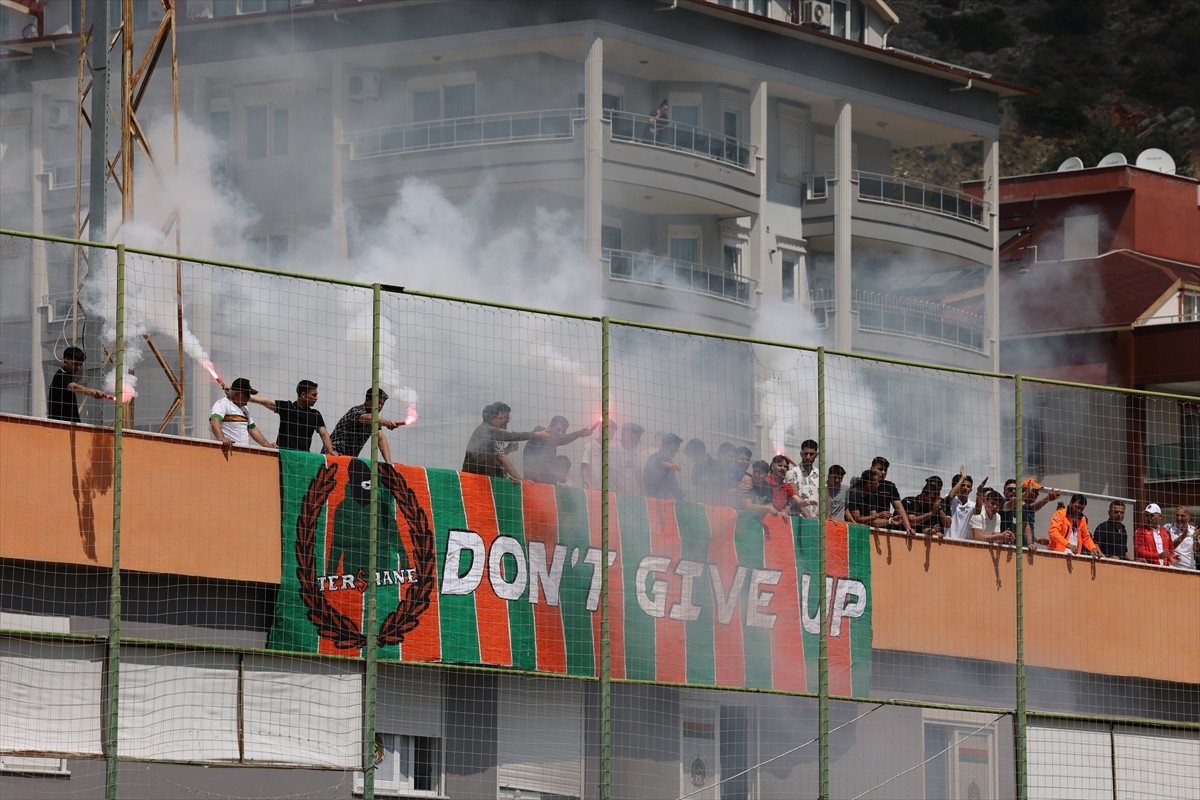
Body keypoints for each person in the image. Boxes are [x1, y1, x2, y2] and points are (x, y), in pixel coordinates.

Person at [462, 401, 552, 481]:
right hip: (472, 478)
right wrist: (536, 434)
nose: (507, 421)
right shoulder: (486, 430)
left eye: (507, 418)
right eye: (503, 418)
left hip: (482, 478)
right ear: (492, 418)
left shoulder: (494, 434)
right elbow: (502, 455)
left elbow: (497, 456)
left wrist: (505, 475)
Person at [248, 379, 337, 454]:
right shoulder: (287, 407)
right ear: (303, 395)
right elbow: (265, 401)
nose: (316, 398)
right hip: (283, 457)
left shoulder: (315, 414)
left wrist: (331, 452)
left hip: (303, 459)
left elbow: (324, 434)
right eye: (314, 395)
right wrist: (246, 397)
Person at [329, 388, 406, 463]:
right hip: (333, 454)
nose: (380, 406)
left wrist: (388, 462)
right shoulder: (356, 410)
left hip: (348, 459)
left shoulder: (374, 420)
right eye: (378, 402)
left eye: (382, 404)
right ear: (367, 400)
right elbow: (368, 418)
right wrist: (387, 422)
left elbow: (380, 438)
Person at [209, 377, 276, 454]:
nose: (249, 398)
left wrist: (267, 445)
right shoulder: (223, 403)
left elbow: (253, 430)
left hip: (243, 452)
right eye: (247, 395)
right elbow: (214, 422)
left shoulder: (244, 409)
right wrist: (221, 438)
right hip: (228, 451)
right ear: (237, 394)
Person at [522, 415, 596, 484]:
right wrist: (580, 433)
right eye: (558, 429)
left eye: (563, 432)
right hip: (533, 484)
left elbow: (562, 440)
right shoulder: (540, 432)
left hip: (546, 485)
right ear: (550, 426)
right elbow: (562, 440)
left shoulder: (552, 440)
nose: (560, 433)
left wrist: (580, 433)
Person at [48, 346, 108, 423]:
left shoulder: (66, 376)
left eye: (81, 364)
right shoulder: (61, 376)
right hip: (61, 425)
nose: (78, 367)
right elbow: (75, 387)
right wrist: (91, 392)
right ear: (66, 361)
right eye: (76, 364)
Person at [1012, 478, 1061, 550]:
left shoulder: (1028, 507)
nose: (1038, 494)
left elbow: (1023, 531)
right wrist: (1047, 499)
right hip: (1017, 548)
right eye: (1035, 491)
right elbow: (1031, 507)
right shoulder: (1018, 505)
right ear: (1026, 490)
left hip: (1026, 547)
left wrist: (1037, 539)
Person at [871, 456, 915, 536]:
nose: (883, 472)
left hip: (885, 528)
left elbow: (899, 508)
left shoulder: (890, 486)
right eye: (880, 469)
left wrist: (908, 528)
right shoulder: (864, 484)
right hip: (868, 526)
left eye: (885, 470)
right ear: (872, 469)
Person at [946, 467, 986, 541]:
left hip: (961, 543)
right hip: (947, 540)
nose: (965, 488)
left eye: (968, 486)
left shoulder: (971, 505)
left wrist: (979, 491)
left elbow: (978, 511)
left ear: (970, 490)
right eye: (962, 485)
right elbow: (950, 496)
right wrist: (963, 477)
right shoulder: (952, 500)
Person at [644, 433, 684, 501]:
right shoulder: (664, 460)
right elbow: (672, 482)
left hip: (651, 498)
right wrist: (682, 498)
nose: (677, 450)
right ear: (671, 446)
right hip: (658, 500)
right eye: (677, 447)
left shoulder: (653, 457)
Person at [785, 439, 820, 518]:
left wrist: (824, 516)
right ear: (801, 454)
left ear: (816, 455)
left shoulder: (819, 474)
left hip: (817, 520)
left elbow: (826, 498)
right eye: (805, 453)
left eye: (811, 454)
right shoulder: (792, 473)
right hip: (799, 519)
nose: (808, 457)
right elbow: (795, 498)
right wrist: (809, 517)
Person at [684, 438, 723, 505]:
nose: (691, 461)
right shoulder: (695, 470)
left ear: (700, 454)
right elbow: (696, 489)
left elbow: (719, 491)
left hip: (715, 505)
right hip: (699, 505)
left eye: (691, 457)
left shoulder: (717, 467)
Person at [612, 422, 645, 494]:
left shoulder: (634, 452)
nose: (639, 441)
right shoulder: (614, 449)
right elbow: (613, 476)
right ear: (628, 435)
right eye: (638, 437)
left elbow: (638, 473)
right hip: (617, 494)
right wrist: (623, 493)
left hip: (631, 494)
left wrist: (644, 492)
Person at [1166, 506, 1196, 571]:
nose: (1179, 518)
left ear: (1188, 517)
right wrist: (1183, 536)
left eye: (1182, 516)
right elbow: (1167, 548)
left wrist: (1195, 540)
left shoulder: (1194, 531)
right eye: (1177, 515)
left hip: (1190, 568)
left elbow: (1197, 551)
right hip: (1172, 567)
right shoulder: (1168, 528)